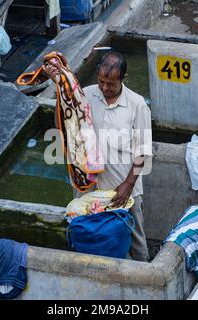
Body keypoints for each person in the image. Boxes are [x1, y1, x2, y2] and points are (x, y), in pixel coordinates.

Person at [43, 51, 153, 262]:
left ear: (123, 79)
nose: (104, 88)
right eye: (101, 81)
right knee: (85, 228)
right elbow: (64, 126)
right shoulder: (85, 94)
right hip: (88, 184)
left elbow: (144, 150)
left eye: (110, 84)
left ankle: (144, 271)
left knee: (135, 233)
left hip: (122, 185)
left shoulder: (137, 105)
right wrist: (60, 88)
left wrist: (128, 185)